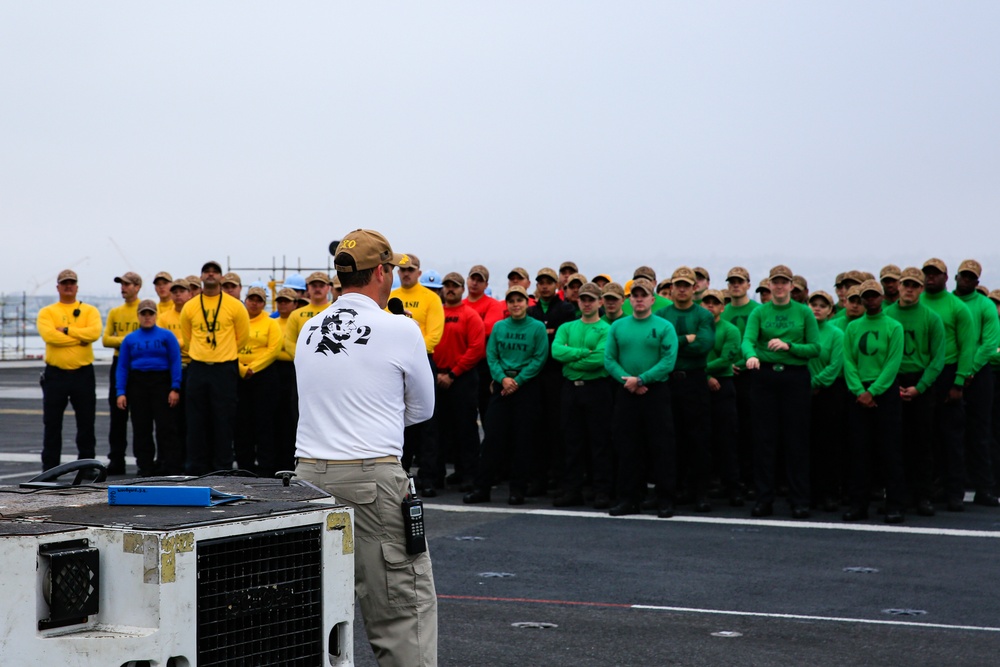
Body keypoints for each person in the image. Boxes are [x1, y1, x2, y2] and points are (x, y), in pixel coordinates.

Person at [293, 229, 437, 667]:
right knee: (401, 612)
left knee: (312, 618)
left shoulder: (308, 328)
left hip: (307, 479)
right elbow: (423, 409)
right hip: (371, 477)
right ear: (381, 271)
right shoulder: (400, 328)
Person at [742, 265, 820, 520]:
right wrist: (751, 355)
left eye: (783, 282)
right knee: (764, 440)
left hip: (794, 377)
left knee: (796, 440)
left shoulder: (804, 313)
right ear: (770, 284)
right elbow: (747, 340)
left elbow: (815, 348)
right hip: (764, 377)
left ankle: (799, 500)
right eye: (775, 282)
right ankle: (764, 499)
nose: (779, 286)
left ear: (791, 286)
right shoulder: (760, 312)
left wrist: (789, 346)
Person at [464, 285, 549, 504]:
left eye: (520, 300)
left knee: (523, 441)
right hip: (502, 386)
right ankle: (482, 489)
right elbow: (492, 356)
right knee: (492, 439)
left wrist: (518, 381)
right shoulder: (500, 327)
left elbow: (539, 358)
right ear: (507, 304)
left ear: (527, 303)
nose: (516, 304)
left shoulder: (537, 327)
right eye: (511, 301)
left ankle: (517, 490)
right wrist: (503, 378)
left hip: (526, 387)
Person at [604, 278, 679, 518]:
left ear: (652, 300)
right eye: (634, 295)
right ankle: (628, 499)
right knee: (627, 448)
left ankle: (665, 499)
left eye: (643, 295)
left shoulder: (665, 326)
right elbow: (609, 359)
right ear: (629, 300)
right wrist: (629, 381)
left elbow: (668, 361)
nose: (638, 299)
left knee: (662, 448)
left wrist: (643, 379)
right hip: (626, 391)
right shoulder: (617, 326)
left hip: (655, 393)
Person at [841, 280, 906, 523]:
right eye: (864, 297)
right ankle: (859, 505)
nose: (869, 300)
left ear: (881, 297)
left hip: (885, 393)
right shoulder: (853, 327)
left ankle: (895, 505)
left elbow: (893, 363)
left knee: (890, 451)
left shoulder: (894, 326)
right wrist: (859, 391)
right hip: (858, 393)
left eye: (873, 296)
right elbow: (848, 361)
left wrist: (874, 391)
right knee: (859, 453)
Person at [180, 260, 250, 475]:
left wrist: (223, 353)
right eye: (206, 272)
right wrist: (204, 353)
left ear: (221, 277)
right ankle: (196, 468)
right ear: (201, 277)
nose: (210, 275)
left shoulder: (234, 305)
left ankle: (223, 468)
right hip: (198, 368)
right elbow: (187, 336)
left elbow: (243, 337)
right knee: (195, 421)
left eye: (215, 272)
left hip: (224, 369)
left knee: (224, 421)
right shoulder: (190, 306)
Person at [654, 266, 716, 511]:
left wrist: (673, 343)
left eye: (686, 285)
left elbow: (703, 346)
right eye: (677, 285)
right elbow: (658, 346)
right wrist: (684, 339)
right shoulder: (661, 314)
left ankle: (700, 492)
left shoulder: (703, 315)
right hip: (666, 381)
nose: (681, 289)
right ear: (670, 288)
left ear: (694, 288)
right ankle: (672, 490)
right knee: (668, 439)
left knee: (698, 438)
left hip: (694, 380)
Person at [885, 267, 945, 516]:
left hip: (921, 383)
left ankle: (923, 496)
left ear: (921, 289)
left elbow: (938, 358)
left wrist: (919, 387)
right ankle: (900, 495)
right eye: (905, 284)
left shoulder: (931, 318)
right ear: (898, 286)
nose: (909, 289)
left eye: (914, 285)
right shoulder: (887, 315)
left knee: (922, 443)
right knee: (895, 444)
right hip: (892, 381)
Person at [551, 282, 614, 509]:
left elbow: (600, 359)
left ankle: (601, 491)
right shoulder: (567, 327)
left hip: (597, 388)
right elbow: (557, 351)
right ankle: (572, 490)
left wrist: (573, 359)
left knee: (599, 442)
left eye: (591, 299)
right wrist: (582, 353)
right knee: (571, 442)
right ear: (578, 301)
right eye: (583, 299)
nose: (587, 303)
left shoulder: (607, 329)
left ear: (599, 302)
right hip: (570, 388)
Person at [920, 258, 976, 511]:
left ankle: (954, 492)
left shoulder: (957, 307)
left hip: (948, 373)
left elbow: (967, 347)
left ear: (946, 277)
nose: (930, 278)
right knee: (925, 437)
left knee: (951, 436)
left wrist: (958, 382)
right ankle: (929, 488)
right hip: (922, 375)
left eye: (935, 274)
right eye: (927, 274)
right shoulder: (916, 302)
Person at [37, 269, 103, 471]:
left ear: (77, 287)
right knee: (52, 423)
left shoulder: (90, 311)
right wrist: (79, 339)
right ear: (58, 287)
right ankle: (50, 467)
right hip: (55, 374)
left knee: (86, 423)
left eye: (71, 283)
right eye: (64, 283)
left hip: (83, 373)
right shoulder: (47, 312)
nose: (68, 286)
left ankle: (87, 465)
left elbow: (94, 333)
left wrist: (66, 330)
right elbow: (50, 337)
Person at [390, 255, 445, 488]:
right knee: (397, 420)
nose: (405, 274)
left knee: (427, 421)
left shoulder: (430, 298)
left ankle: (430, 477)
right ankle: (398, 475)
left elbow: (434, 335)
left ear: (419, 272)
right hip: (393, 363)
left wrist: (412, 349)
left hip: (422, 360)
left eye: (410, 270)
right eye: (402, 270)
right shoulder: (391, 298)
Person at [430, 272, 485, 493]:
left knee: (466, 429)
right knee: (437, 431)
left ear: (462, 290)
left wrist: (453, 373)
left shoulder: (470, 315)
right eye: (447, 286)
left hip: (461, 379)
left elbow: (476, 349)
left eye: (455, 286)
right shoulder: (437, 314)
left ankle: (469, 474)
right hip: (437, 376)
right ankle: (437, 474)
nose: (451, 289)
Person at [115, 299, 183, 476]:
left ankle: (170, 465)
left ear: (156, 315)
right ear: (138, 315)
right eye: (143, 313)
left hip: (161, 382)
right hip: (138, 383)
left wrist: (175, 387)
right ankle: (145, 466)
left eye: (150, 313)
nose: (147, 317)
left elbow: (176, 361)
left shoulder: (167, 336)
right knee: (141, 427)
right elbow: (122, 366)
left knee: (166, 427)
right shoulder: (130, 339)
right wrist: (120, 392)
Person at [953, 259, 1000, 506]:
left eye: (972, 277)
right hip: (951, 371)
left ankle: (985, 488)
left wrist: (969, 371)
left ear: (977, 282)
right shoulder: (947, 302)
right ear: (956, 277)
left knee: (980, 433)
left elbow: (989, 343)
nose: (967, 280)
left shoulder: (985, 306)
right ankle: (952, 487)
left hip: (978, 374)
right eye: (964, 276)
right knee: (949, 432)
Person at [527, 267, 578, 494]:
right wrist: (549, 333)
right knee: (536, 429)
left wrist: (549, 334)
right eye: (541, 282)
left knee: (559, 429)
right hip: (536, 376)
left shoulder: (566, 309)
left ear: (556, 285)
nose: (545, 285)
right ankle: (538, 478)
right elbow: (533, 339)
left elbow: (561, 339)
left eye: (549, 282)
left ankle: (559, 478)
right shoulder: (531, 311)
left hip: (558, 376)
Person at [234, 286, 283, 475]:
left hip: (263, 377)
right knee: (241, 424)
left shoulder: (271, 323)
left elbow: (274, 349)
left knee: (264, 423)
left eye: (259, 300)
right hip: (239, 376)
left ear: (264, 303)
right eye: (251, 299)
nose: (255, 303)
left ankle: (265, 468)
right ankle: (244, 467)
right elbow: (228, 346)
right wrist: (241, 369)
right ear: (246, 300)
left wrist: (253, 368)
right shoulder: (238, 322)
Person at [702, 289, 744, 506]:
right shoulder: (696, 330)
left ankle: (733, 487)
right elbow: (688, 354)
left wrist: (703, 370)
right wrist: (706, 376)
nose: (710, 306)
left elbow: (727, 358)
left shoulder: (731, 330)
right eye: (706, 302)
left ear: (722, 307)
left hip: (724, 386)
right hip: (701, 386)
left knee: (727, 438)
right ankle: (707, 484)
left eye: (714, 303)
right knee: (702, 439)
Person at [806, 290, 846, 512]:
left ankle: (830, 493)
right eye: (814, 304)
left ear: (831, 311)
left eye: (823, 305)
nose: (817, 308)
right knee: (807, 445)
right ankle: (810, 492)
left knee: (829, 446)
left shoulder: (836, 333)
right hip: (803, 393)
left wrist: (816, 383)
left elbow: (836, 364)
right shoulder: (802, 332)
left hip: (829, 394)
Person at [103, 271, 142, 475]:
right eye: (122, 284)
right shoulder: (115, 312)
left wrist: (123, 340)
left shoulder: (144, 310)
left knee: (140, 416)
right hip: (120, 363)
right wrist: (130, 341)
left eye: (127, 284)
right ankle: (116, 459)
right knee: (117, 416)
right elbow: (105, 339)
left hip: (139, 364)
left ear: (137, 287)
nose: (123, 288)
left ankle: (142, 459)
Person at [271, 287, 300, 472]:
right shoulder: (271, 321)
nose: (282, 305)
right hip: (274, 369)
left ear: (294, 304)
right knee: (276, 416)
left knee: (292, 416)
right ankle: (276, 461)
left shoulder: (297, 320)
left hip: (294, 368)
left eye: (286, 301)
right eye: (280, 301)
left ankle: (291, 460)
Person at [284, 271, 333, 357]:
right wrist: (304, 358)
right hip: (304, 363)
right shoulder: (296, 314)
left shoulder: (336, 311)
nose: (317, 289)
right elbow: (289, 343)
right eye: (314, 286)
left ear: (328, 288)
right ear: (308, 288)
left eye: (321, 286)